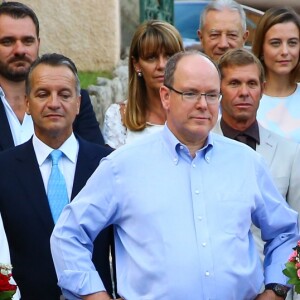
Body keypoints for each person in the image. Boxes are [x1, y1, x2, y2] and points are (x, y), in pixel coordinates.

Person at [50, 51, 299, 300]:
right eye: (190, 93)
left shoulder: (247, 162)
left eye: (211, 94)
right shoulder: (123, 166)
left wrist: (276, 289)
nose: (203, 104)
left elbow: (286, 232)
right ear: (166, 96)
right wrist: (95, 295)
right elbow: (68, 235)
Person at [0, 53, 115, 300]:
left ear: (78, 103)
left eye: (64, 94)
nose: (54, 103)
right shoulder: (3, 169)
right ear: (28, 103)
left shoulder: (108, 165)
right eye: (43, 94)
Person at [213, 49, 300, 298]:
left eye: (251, 83)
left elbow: (296, 232)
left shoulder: (290, 152)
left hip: (273, 290)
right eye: (234, 83)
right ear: (218, 88)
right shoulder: (198, 147)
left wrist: (279, 290)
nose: (244, 92)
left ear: (262, 88)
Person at [0, 1, 104, 151]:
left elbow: (95, 162)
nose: (19, 50)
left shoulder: (72, 100)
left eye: (27, 41)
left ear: (38, 43)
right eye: (7, 41)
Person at [102, 19, 184, 149]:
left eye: (169, 56)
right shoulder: (119, 117)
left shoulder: (197, 110)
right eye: (151, 57)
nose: (162, 65)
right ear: (136, 64)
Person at [252, 7, 300, 143]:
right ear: (262, 48)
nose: (285, 51)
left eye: (292, 43)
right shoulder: (245, 96)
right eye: (275, 43)